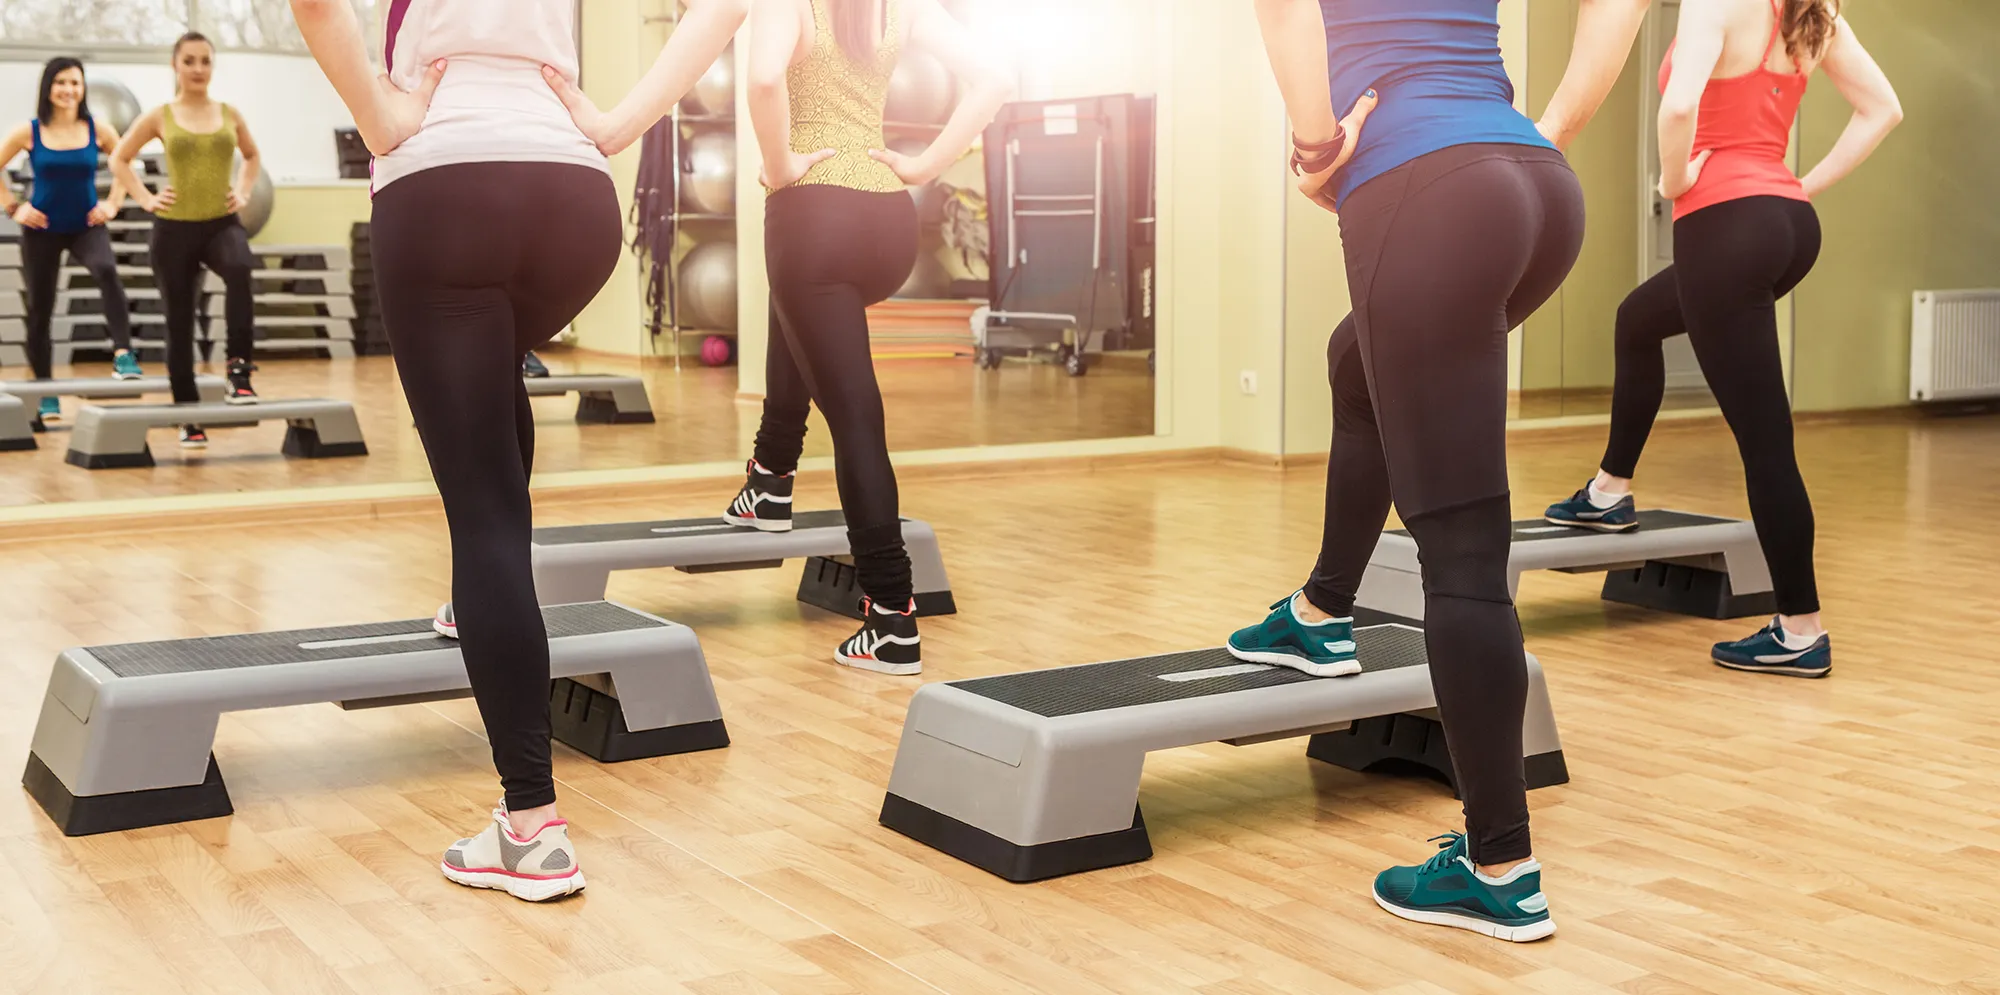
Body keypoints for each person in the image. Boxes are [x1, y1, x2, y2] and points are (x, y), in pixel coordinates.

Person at [291, 0, 749, 902]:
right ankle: (478, 605)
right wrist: (617, 124)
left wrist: (381, 118)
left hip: (445, 188)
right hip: (572, 200)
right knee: (491, 380)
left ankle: (532, 831)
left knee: (483, 515)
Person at [1226, 0, 1654, 942]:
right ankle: (1319, 615)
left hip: (1423, 183)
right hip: (1537, 186)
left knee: (1461, 552)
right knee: (1357, 365)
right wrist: (1550, 132)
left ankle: (1499, 865)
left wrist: (1315, 149)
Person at [1544, 0, 1900, 679]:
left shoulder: (1716, 3)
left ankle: (1800, 628)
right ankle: (1609, 490)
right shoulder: (1812, 11)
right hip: (1787, 227)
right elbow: (1883, 109)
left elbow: (1679, 109)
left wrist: (1674, 181)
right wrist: (1798, 188)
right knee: (1639, 320)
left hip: (1725, 227)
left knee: (1767, 444)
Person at [703, 0, 1010, 675]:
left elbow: (760, 81)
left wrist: (780, 165)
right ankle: (769, 484)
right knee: (805, 315)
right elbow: (994, 79)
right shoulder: (898, 7)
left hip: (814, 213)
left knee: (856, 416)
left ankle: (892, 617)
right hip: (886, 222)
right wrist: (925, 164)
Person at [110, 33, 264, 450]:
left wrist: (244, 191)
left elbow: (251, 156)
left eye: (205, 61)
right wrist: (145, 198)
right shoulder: (161, 114)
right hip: (173, 229)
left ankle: (239, 370)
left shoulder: (230, 113)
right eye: (190, 61)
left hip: (221, 224)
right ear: (175, 66)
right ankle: (188, 415)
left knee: (240, 267)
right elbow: (119, 158)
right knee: (180, 322)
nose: (198, 69)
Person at [0, 57, 138, 425]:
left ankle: (123, 353)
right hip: (42, 228)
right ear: (48, 87)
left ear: (83, 88)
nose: (68, 90)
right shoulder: (30, 131)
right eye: (61, 82)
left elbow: (126, 161)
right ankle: (45, 391)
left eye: (75, 83)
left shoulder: (99, 129)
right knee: (40, 309)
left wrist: (113, 202)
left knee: (107, 270)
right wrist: (13, 208)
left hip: (85, 225)